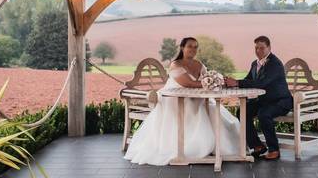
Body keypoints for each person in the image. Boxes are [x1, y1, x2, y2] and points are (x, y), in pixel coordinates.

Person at [124, 36, 242, 165]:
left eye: (195, 47)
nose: (193, 49)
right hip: (175, 99)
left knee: (214, 109)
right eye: (190, 46)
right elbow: (188, 83)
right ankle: (193, 148)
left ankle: (221, 148)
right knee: (195, 110)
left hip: (198, 97)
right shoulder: (176, 64)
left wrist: (215, 81)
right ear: (182, 48)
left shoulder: (199, 64)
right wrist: (211, 84)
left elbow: (205, 78)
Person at [225, 36, 292, 161]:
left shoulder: (275, 64)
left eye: (262, 48)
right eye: (256, 48)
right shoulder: (254, 64)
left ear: (269, 48)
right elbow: (249, 80)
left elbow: (261, 83)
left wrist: (237, 83)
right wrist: (230, 83)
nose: (258, 51)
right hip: (264, 101)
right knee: (243, 112)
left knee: (264, 114)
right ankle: (257, 146)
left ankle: (274, 149)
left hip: (281, 101)